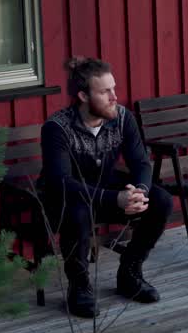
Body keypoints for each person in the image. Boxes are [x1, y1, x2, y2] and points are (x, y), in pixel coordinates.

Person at [40, 57, 172, 318]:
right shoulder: (57, 128)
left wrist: (140, 193)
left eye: (114, 88)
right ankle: (79, 288)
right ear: (83, 96)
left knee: (161, 201)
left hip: (105, 191)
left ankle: (130, 273)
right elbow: (61, 182)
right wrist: (116, 199)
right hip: (65, 199)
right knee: (77, 213)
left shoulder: (122, 118)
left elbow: (141, 163)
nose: (114, 97)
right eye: (104, 92)